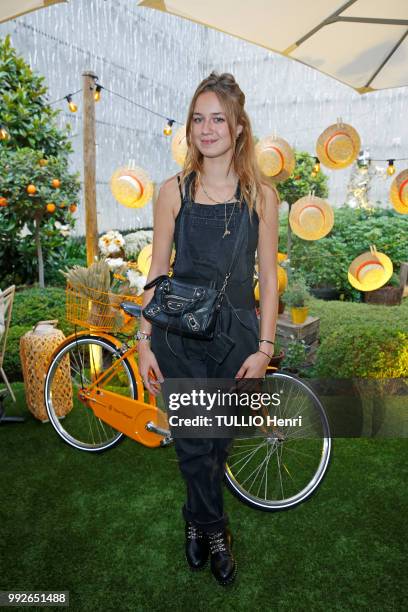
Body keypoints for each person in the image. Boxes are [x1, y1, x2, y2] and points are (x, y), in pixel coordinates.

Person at [138, 71, 279, 586]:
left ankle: (194, 522)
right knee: (196, 441)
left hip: (236, 338)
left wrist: (264, 349)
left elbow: (267, 277)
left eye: (218, 118)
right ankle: (215, 531)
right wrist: (144, 342)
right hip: (177, 337)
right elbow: (156, 270)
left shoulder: (262, 197)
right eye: (198, 118)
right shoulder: (171, 191)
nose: (207, 128)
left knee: (216, 442)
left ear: (239, 127)